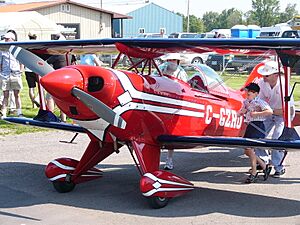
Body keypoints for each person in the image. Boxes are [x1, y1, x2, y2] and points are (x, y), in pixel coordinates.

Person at [257, 60, 295, 178]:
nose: (264, 77)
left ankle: (279, 167)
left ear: (275, 75)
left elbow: (288, 110)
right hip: (269, 112)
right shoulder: (261, 83)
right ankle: (264, 161)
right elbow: (260, 102)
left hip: (284, 114)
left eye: (267, 75)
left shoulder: (284, 85)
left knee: (277, 139)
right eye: (263, 74)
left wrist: (269, 111)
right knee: (257, 136)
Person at [238, 83, 273, 183]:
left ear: (255, 93)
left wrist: (257, 114)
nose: (247, 94)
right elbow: (240, 112)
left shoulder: (259, 102)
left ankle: (254, 172)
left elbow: (269, 111)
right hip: (250, 126)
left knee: (250, 149)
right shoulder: (245, 102)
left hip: (258, 125)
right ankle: (264, 166)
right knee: (247, 151)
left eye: (249, 93)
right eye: (247, 92)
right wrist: (241, 112)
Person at [159, 53, 188, 170]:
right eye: (169, 59)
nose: (171, 62)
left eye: (174, 60)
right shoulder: (161, 69)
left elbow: (185, 90)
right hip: (161, 102)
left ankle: (169, 160)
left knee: (170, 133)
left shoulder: (181, 73)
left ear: (178, 61)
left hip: (175, 105)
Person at [0, 32, 23, 118]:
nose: (5, 40)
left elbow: (21, 61)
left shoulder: (17, 49)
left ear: (12, 39)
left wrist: (20, 71)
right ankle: (3, 113)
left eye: (7, 39)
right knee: (5, 95)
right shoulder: (2, 49)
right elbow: (0, 63)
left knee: (17, 94)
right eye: (5, 39)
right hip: (5, 74)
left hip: (15, 74)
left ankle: (19, 113)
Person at [25, 30, 40, 108]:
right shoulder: (39, 45)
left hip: (27, 69)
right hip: (36, 69)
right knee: (41, 87)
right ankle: (37, 98)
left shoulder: (26, 45)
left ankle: (33, 104)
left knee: (31, 88)